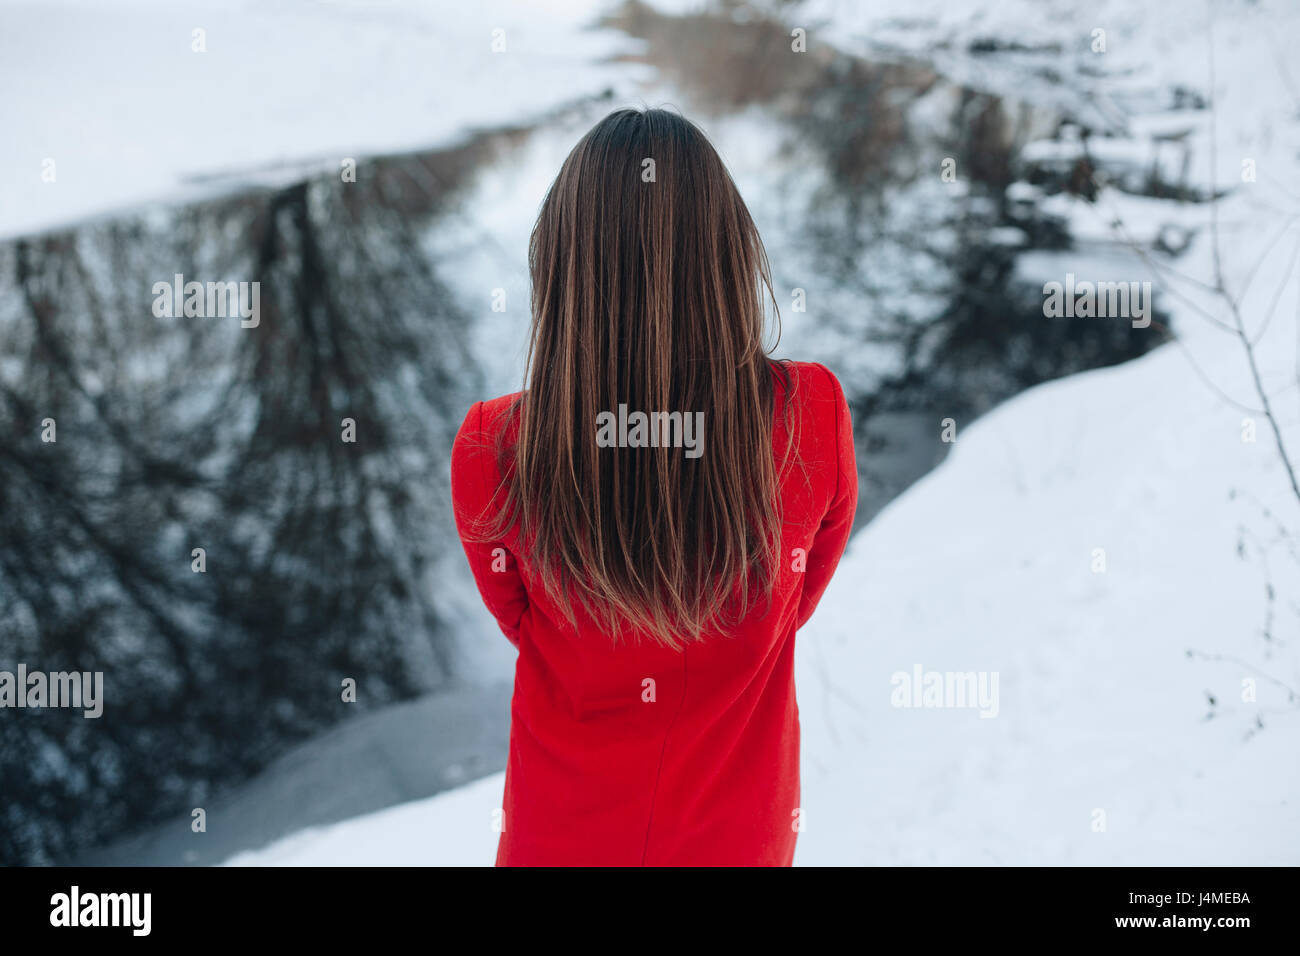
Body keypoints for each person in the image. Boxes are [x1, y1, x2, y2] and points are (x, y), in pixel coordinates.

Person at [451, 107, 857, 866]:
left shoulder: (491, 446)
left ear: (562, 266)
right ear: (729, 254)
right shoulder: (813, 416)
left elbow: (523, 622)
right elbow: (793, 603)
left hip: (558, 837)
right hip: (739, 837)